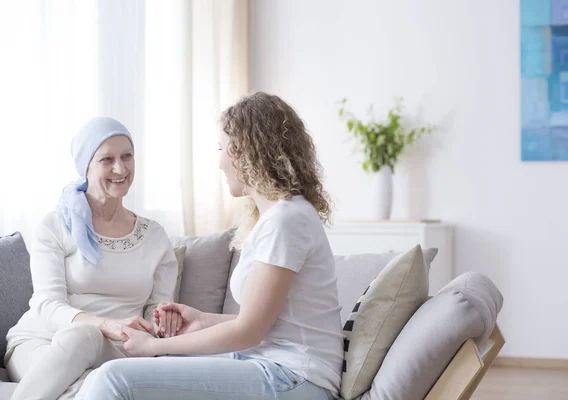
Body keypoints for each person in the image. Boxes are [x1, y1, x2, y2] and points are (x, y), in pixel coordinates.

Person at [77, 92, 344, 400]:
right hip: (273, 364)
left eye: (221, 149)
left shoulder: (287, 220)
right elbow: (268, 322)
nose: (219, 162)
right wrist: (203, 320)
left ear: (248, 152)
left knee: (113, 379)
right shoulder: (278, 218)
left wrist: (154, 347)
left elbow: (249, 331)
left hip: (295, 377)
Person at [4, 117, 180, 400]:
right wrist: (104, 324)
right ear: (85, 166)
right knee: (83, 354)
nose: (120, 168)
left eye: (127, 156)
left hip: (116, 349)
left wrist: (162, 320)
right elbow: (47, 305)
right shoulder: (55, 225)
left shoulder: (154, 236)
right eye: (106, 159)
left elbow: (155, 308)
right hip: (41, 342)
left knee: (90, 373)